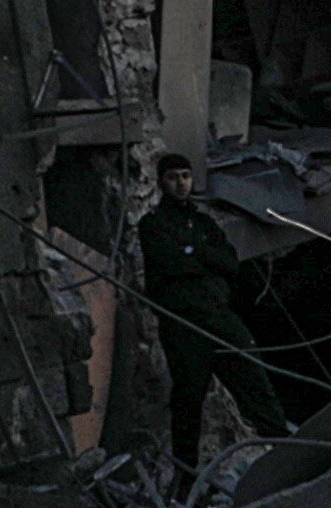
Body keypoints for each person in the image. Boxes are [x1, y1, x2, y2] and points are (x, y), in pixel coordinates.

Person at [122, 153, 294, 462]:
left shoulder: (203, 222)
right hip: (183, 325)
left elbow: (229, 262)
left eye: (186, 176)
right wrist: (202, 258)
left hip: (218, 318)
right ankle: (186, 477)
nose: (181, 183)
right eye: (174, 177)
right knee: (188, 404)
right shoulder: (154, 225)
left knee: (255, 382)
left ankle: (288, 455)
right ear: (162, 181)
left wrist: (195, 252)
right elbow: (169, 263)